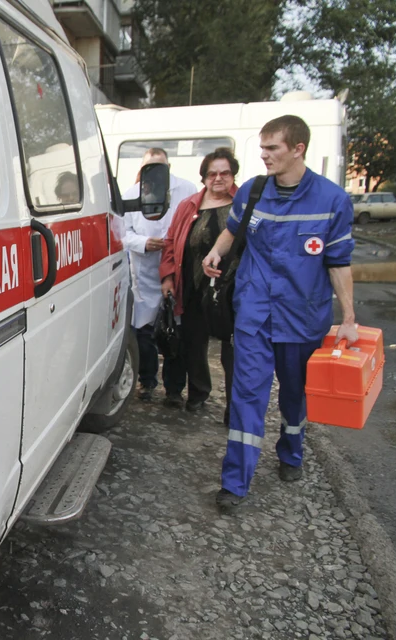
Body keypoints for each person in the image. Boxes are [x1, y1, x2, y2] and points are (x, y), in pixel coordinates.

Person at [201, 116, 357, 513]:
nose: (264, 155)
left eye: (272, 148)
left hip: (302, 318)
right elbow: (233, 230)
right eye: (263, 147)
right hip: (254, 314)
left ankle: (291, 450)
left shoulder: (332, 200)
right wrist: (216, 250)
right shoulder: (252, 191)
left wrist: (349, 319)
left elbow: (339, 264)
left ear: (298, 149)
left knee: (294, 393)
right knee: (246, 396)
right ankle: (235, 483)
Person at [160, 148, 239, 421]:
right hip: (194, 287)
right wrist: (168, 277)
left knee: (233, 351)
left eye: (225, 173)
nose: (218, 178)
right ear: (204, 177)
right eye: (212, 173)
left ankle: (235, 407)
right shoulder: (189, 205)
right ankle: (198, 394)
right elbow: (171, 243)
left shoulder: (243, 204)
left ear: (233, 175)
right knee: (194, 344)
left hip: (233, 289)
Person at [122, 148, 198, 403]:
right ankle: (147, 381)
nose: (153, 172)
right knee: (144, 333)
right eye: (148, 167)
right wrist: (143, 242)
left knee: (174, 332)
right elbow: (122, 233)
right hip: (145, 272)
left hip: (176, 271)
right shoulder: (131, 194)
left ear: (169, 167)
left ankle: (174, 390)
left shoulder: (187, 190)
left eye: (159, 166)